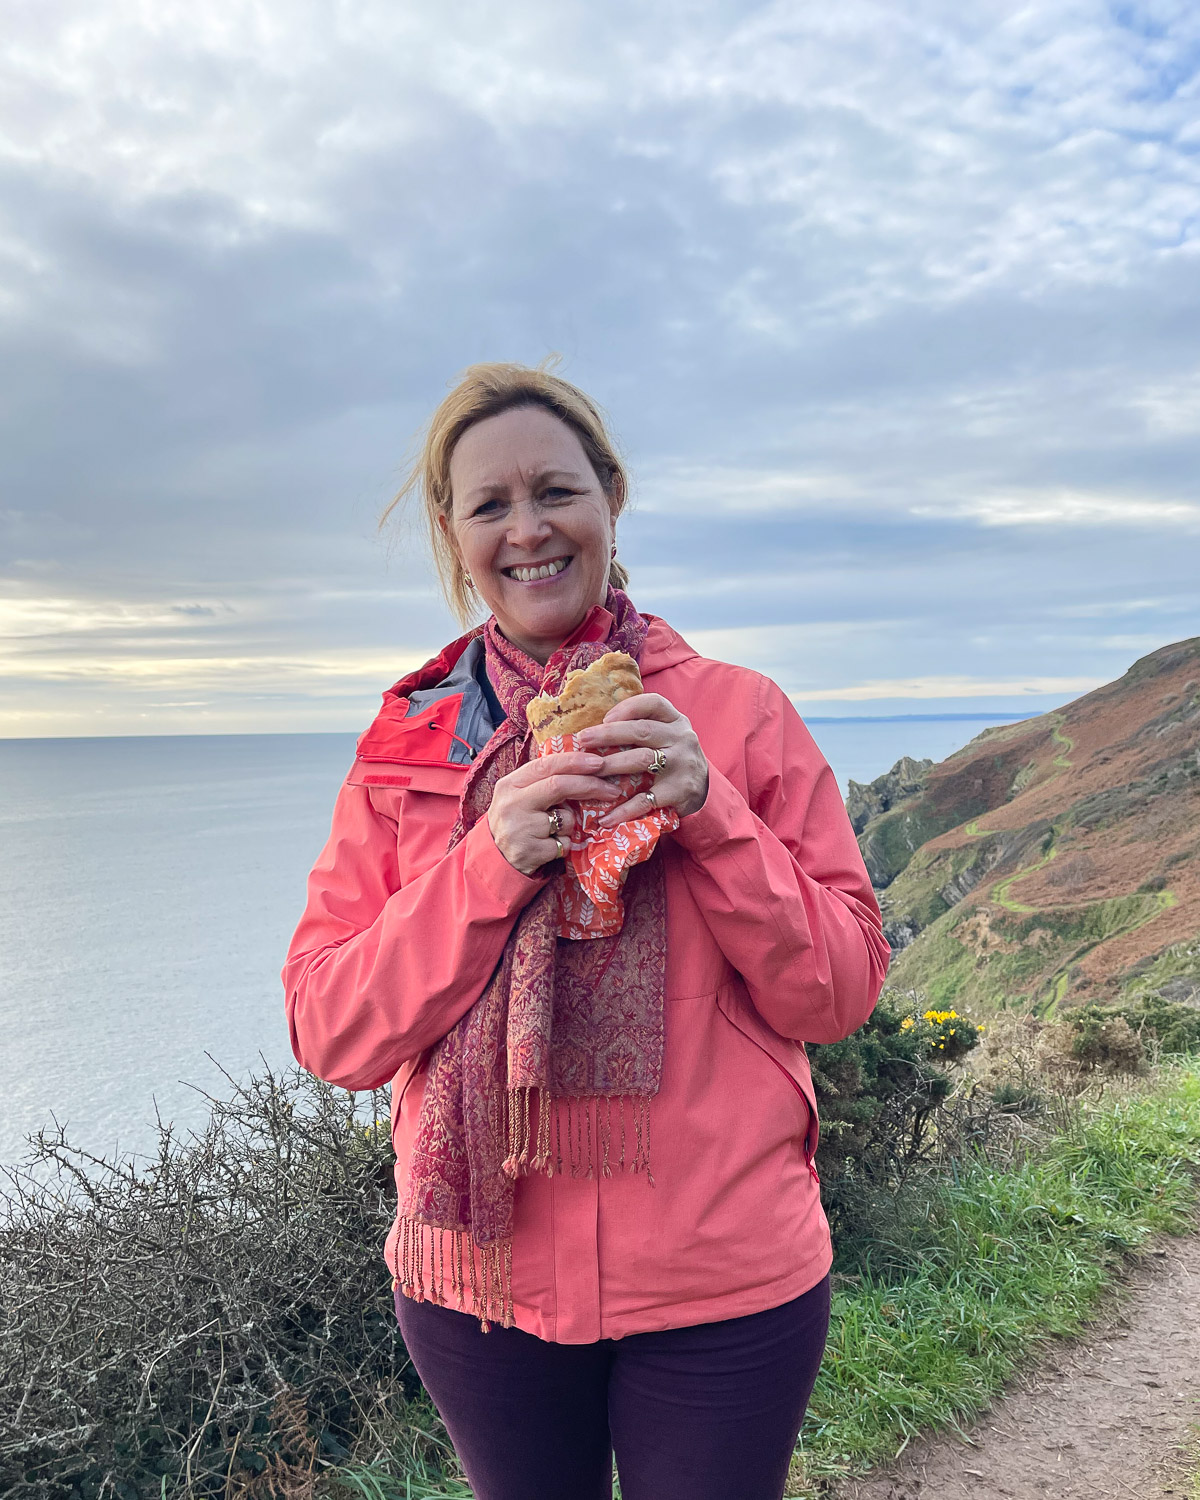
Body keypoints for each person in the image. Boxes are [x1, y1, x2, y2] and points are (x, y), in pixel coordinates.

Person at [282, 362, 891, 1500]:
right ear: (452, 532)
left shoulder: (738, 714)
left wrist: (712, 813)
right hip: (481, 1286)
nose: (528, 530)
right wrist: (490, 861)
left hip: (725, 1276)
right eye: (489, 505)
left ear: (611, 497)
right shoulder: (410, 743)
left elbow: (843, 989)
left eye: (556, 491)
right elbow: (331, 1029)